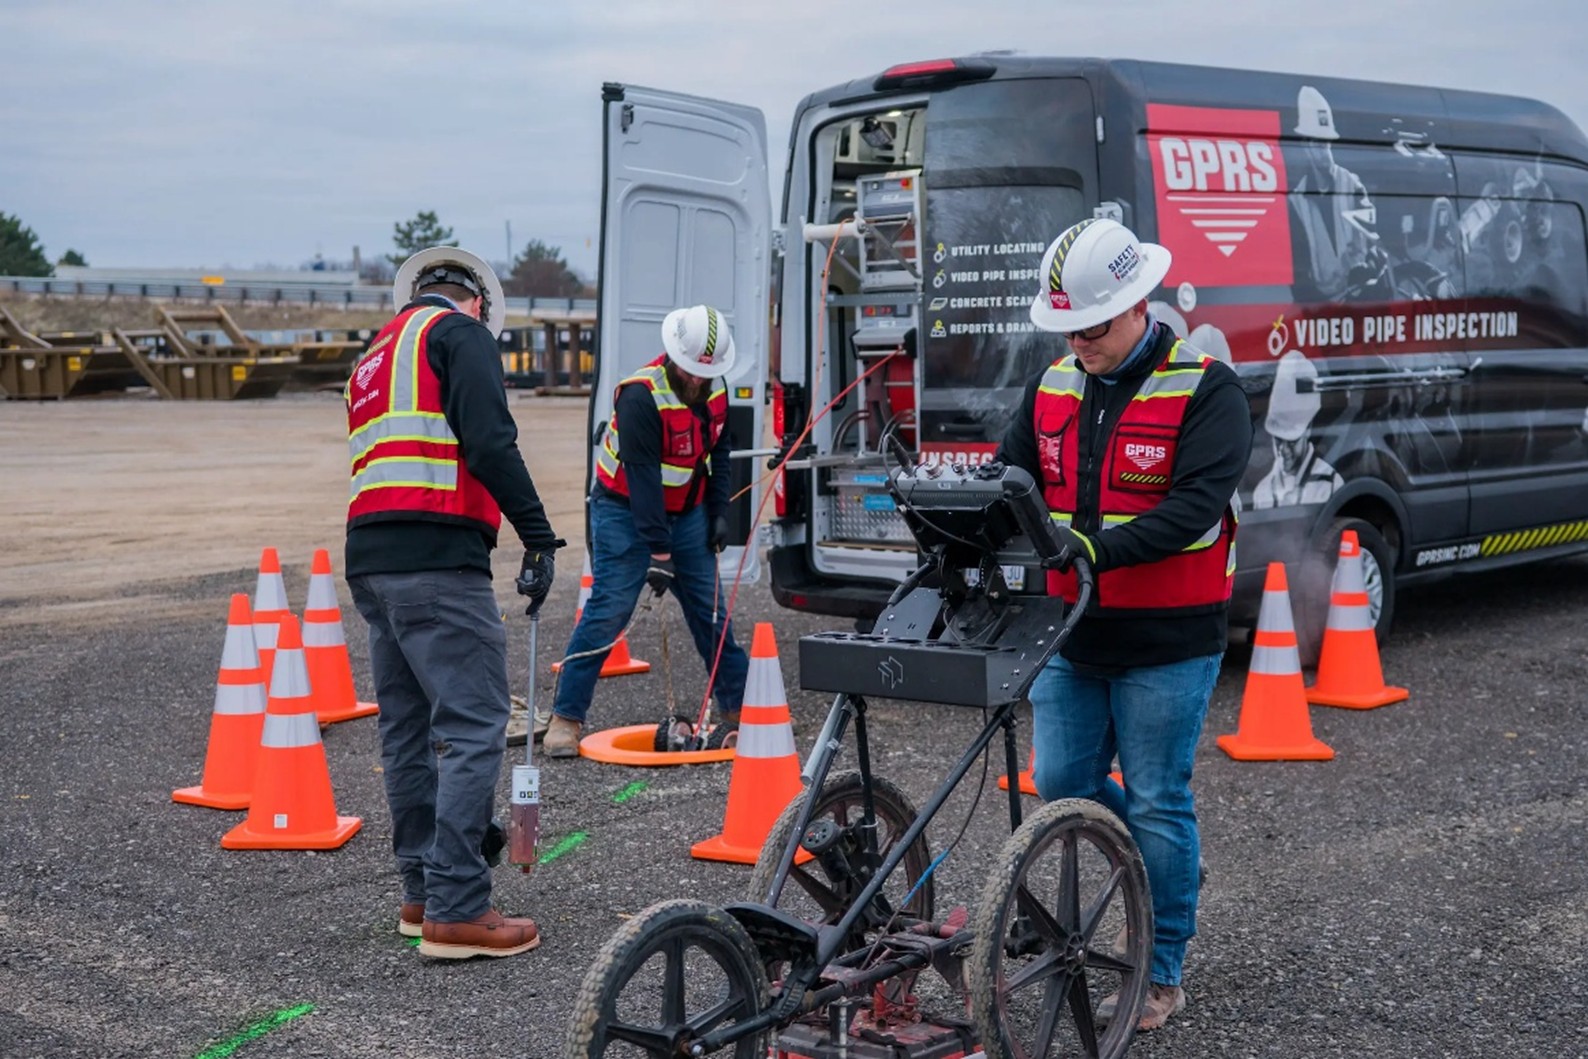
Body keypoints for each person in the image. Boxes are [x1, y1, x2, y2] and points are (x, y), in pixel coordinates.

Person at [996, 218, 1253, 1031]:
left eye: (1094, 325)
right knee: (1062, 783)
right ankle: (1159, 862)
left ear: (1140, 303)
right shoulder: (1053, 386)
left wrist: (1090, 549)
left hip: (1170, 641)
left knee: (1158, 795)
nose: (1079, 341)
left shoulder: (1209, 389)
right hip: (1074, 635)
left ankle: (1162, 969)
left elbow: (1191, 509)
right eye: (1068, 325)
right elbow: (1012, 474)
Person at [344, 246, 563, 960]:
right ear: (475, 303)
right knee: (471, 726)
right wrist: (538, 536)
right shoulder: (458, 335)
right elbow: (491, 441)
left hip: (372, 561)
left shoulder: (373, 355)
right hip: (439, 559)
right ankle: (459, 908)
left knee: (407, 731)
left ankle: (422, 894)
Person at [538, 304, 750, 758]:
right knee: (608, 610)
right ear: (673, 357)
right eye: (690, 371)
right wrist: (658, 552)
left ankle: (741, 706)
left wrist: (719, 512)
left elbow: (720, 452)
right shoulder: (640, 396)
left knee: (710, 612)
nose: (696, 381)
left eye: (704, 374)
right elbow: (643, 478)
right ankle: (566, 717)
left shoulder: (716, 391)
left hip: (690, 513)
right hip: (624, 511)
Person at [1290, 84, 1380, 301]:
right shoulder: (1296, 201)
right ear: (1306, 146)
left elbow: (1371, 239)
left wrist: (1367, 266)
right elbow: (1298, 266)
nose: (1326, 153)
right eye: (1319, 145)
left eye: (1328, 144)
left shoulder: (1352, 184)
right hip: (1323, 304)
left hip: (1359, 295)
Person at [1253, 350, 1343, 508]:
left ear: (1307, 430)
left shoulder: (1330, 484)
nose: (1283, 450)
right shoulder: (1263, 491)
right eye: (1278, 440)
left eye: (1292, 442)